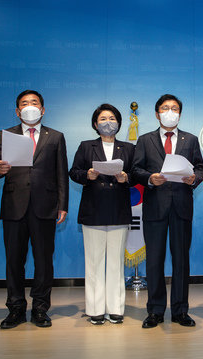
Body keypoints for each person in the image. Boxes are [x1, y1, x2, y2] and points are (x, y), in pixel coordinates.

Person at [0, 90, 69, 329]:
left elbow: (61, 173)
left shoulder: (55, 136)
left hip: (45, 207)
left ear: (43, 109)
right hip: (14, 206)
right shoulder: (6, 135)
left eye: (34, 103)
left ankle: (40, 308)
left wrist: (62, 205)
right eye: (24, 104)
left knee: (44, 261)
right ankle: (15, 308)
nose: (30, 106)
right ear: (17, 111)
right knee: (14, 260)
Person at [132, 94, 203, 328]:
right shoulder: (145, 140)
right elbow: (135, 170)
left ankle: (181, 310)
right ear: (157, 113)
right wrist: (150, 178)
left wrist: (195, 178)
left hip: (182, 207)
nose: (170, 112)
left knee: (181, 260)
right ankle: (155, 311)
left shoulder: (190, 140)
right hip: (155, 206)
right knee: (154, 260)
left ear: (180, 114)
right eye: (165, 108)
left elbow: (200, 168)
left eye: (174, 108)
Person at [69, 104, 135, 325]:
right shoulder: (86, 146)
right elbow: (74, 172)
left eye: (113, 118)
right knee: (94, 262)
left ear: (118, 122)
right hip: (93, 209)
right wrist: (87, 174)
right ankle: (95, 309)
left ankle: (116, 308)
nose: (109, 122)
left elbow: (136, 174)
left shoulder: (128, 148)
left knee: (116, 261)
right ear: (95, 124)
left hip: (118, 209)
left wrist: (126, 178)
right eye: (103, 118)